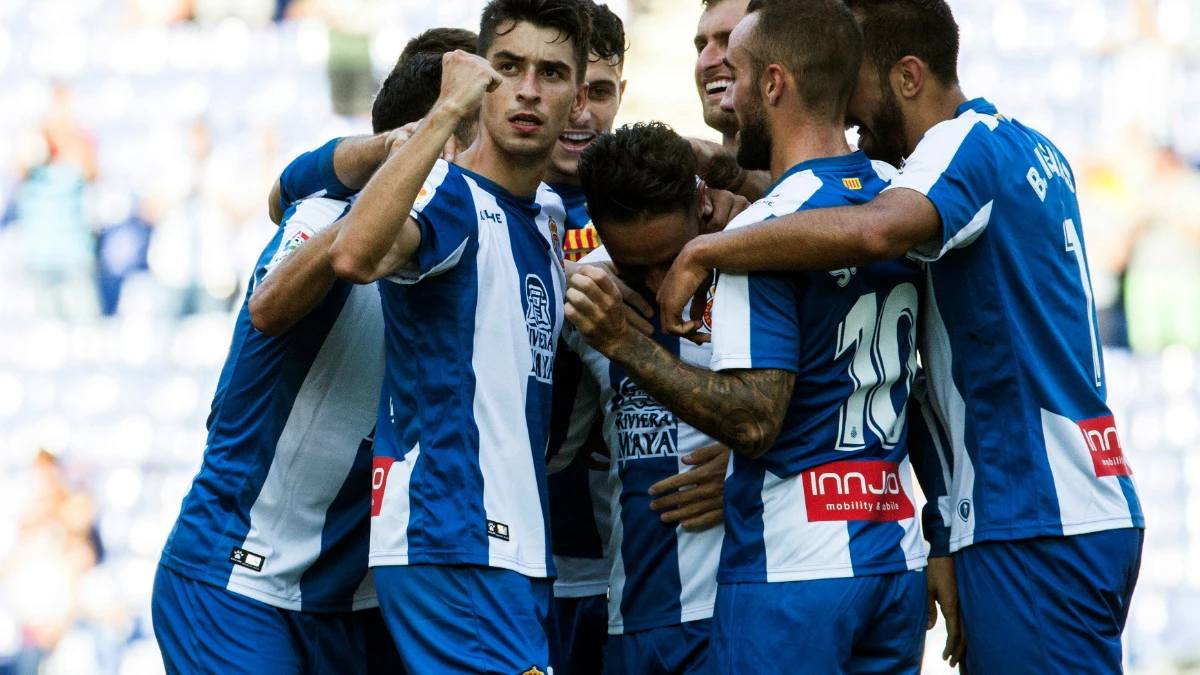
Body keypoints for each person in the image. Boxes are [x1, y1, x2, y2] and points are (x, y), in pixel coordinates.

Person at [656, 0, 1146, 673]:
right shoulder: (1027, 145)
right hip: (1070, 501)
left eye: (858, 83)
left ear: (909, 77)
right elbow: (842, 199)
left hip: (1031, 514)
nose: (848, 112)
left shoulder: (957, 146)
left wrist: (706, 251)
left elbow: (870, 229)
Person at [565, 1, 929, 672]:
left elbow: (756, 421)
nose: (720, 90)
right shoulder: (901, 200)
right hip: (894, 552)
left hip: (792, 570)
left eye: (732, 72)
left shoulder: (754, 238)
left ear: (772, 84)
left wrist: (627, 341)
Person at [150, 28, 474, 675]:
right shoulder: (327, 209)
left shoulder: (482, 245)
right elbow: (269, 303)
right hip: (240, 579)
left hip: (353, 603)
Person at [325, 1, 589, 671]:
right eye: (508, 67)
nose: (528, 89)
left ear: (578, 99)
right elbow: (353, 254)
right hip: (458, 540)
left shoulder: (538, 220)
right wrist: (442, 115)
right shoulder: (449, 193)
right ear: (479, 79)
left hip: (507, 554)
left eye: (552, 72)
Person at [571, 121, 736, 675]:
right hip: (634, 613)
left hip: (742, 603)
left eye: (673, 257)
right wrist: (575, 270)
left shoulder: (760, 269)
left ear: (704, 205)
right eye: (634, 267)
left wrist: (757, 463)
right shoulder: (589, 294)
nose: (661, 281)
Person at [688, 0, 770, 202]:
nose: (704, 62)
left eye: (729, 41)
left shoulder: (851, 185)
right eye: (701, 46)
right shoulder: (681, 196)